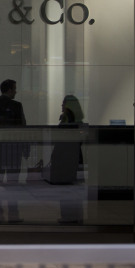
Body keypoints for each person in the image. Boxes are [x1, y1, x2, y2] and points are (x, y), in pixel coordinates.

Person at [0, 79, 28, 223]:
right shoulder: (17, 106)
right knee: (13, 183)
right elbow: (22, 128)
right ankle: (13, 214)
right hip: (14, 148)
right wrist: (25, 148)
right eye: (14, 89)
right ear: (9, 90)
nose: (16, 91)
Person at [53, 95, 85, 223]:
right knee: (74, 188)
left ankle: (68, 216)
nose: (61, 106)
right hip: (75, 155)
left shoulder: (66, 120)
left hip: (64, 157)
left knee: (65, 188)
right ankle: (76, 216)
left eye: (63, 104)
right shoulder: (79, 121)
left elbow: (59, 137)